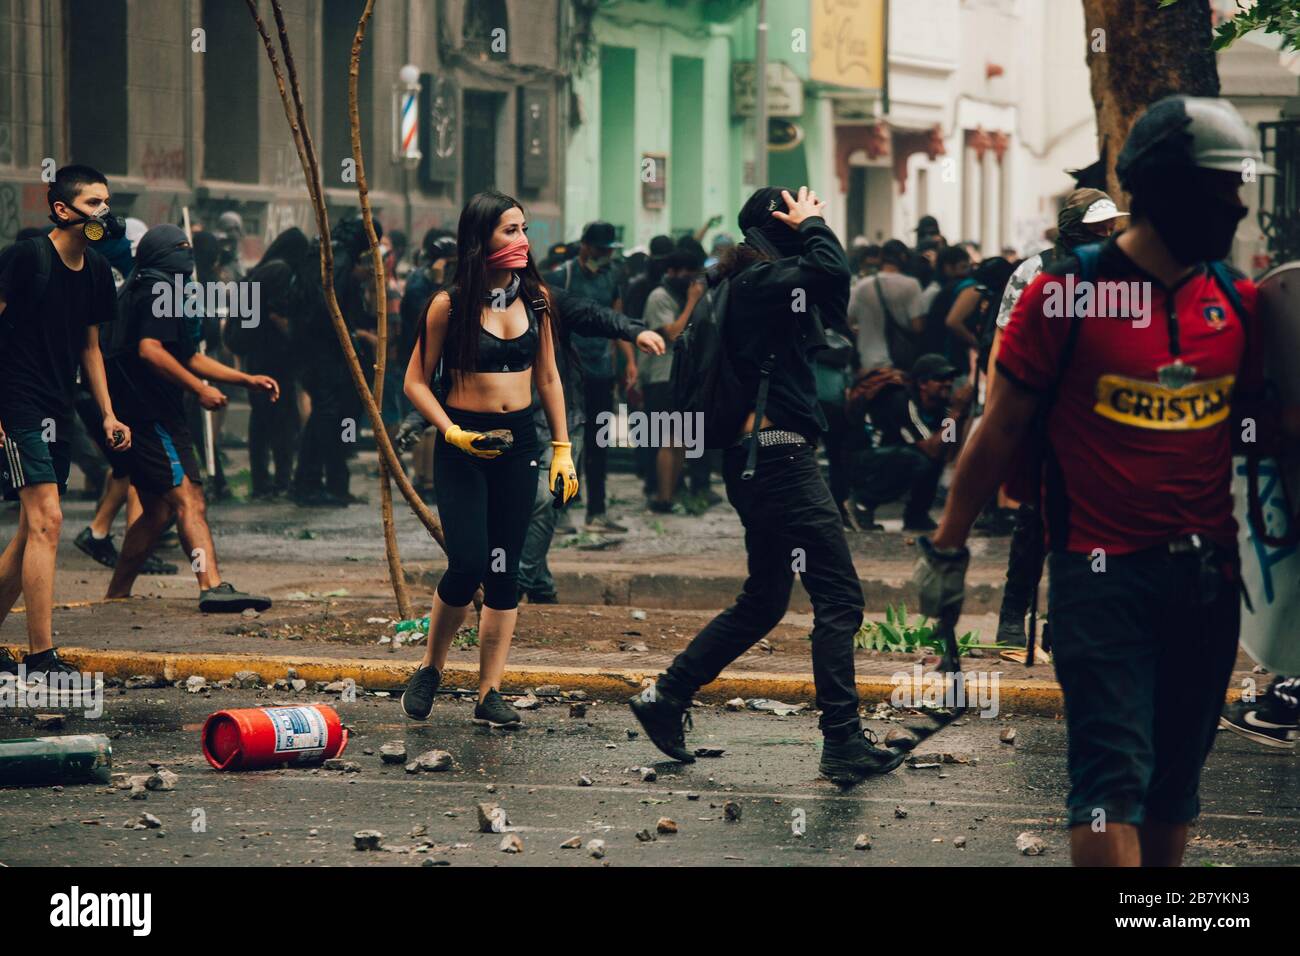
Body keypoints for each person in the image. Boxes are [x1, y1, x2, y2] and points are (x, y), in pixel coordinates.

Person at [915, 96, 1283, 866]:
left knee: (1174, 790)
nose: (1238, 205)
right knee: (1109, 783)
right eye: (1222, 188)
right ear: (1166, 190)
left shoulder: (1240, 303)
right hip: (1099, 577)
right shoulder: (1064, 296)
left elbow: (1270, 438)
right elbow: (1000, 429)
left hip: (1210, 580)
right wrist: (947, 548)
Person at [629, 185, 905, 784]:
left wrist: (805, 230)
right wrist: (813, 226)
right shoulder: (757, 285)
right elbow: (833, 270)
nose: (813, 216)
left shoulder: (743, 287)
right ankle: (843, 742)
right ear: (781, 224)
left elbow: (830, 293)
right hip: (779, 461)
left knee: (764, 600)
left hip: (757, 462)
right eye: (799, 210)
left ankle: (666, 698)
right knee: (839, 599)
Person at [400, 190, 579, 729]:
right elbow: (413, 382)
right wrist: (451, 433)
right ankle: (431, 667)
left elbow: (547, 376)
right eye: (509, 231)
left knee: (507, 572)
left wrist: (562, 450)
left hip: (519, 444)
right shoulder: (447, 305)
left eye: (524, 229)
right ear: (480, 239)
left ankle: (488, 692)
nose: (522, 241)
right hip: (465, 445)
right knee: (469, 561)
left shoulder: (539, 299)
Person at [0, 164, 132, 687]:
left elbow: (90, 348)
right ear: (62, 209)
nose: (104, 212)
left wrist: (107, 413)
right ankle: (40, 656)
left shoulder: (98, 271)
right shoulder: (25, 259)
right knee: (49, 520)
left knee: (30, 531)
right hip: (17, 400)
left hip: (58, 402)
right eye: (94, 203)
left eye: (107, 202)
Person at [101, 224, 276, 613]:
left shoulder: (151, 288)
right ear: (160, 254)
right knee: (190, 499)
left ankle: (116, 593)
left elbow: (187, 356)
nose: (186, 254)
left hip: (143, 413)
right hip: (153, 415)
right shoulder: (156, 289)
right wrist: (198, 389)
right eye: (179, 247)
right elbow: (151, 350)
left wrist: (244, 379)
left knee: (159, 510)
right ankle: (210, 584)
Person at [988, 187, 1128, 648]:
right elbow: (1003, 344)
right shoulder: (1034, 271)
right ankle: (1013, 614)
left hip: (1099, 415)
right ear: (1074, 229)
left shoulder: (1122, 275)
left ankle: (1062, 621)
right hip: (1042, 411)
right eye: (1097, 229)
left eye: (1110, 229)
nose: (1107, 236)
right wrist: (998, 413)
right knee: (1033, 518)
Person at [544, 221, 630, 534]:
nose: (605, 255)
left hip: (601, 370)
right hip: (567, 375)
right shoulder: (561, 277)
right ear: (585, 246)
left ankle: (597, 510)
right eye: (600, 249)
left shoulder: (613, 277)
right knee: (565, 441)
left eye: (609, 250)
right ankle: (561, 509)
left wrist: (627, 364)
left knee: (599, 442)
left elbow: (616, 322)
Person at [846, 354, 972, 532]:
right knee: (917, 459)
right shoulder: (902, 401)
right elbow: (932, 449)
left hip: (893, 456)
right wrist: (956, 413)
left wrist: (958, 418)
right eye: (940, 378)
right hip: (864, 460)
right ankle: (862, 503)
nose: (948, 383)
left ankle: (916, 516)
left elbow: (947, 453)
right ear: (922, 384)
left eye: (950, 378)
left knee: (929, 461)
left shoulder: (942, 408)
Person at [236, 227, 308, 499]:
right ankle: (280, 481)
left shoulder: (262, 269)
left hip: (257, 357)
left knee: (261, 422)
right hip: (276, 359)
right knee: (283, 421)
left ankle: (262, 482)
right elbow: (280, 315)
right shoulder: (281, 272)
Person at [639, 243, 707, 513]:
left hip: (683, 376)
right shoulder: (659, 296)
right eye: (688, 273)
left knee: (680, 439)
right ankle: (663, 497)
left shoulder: (682, 294)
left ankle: (671, 493)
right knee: (668, 439)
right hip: (661, 376)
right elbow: (674, 334)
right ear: (672, 271)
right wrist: (692, 302)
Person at [848, 238, 925, 373]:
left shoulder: (862, 286)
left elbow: (849, 319)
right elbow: (918, 327)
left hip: (868, 361)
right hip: (899, 362)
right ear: (903, 257)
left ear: (881, 257)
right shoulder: (911, 285)